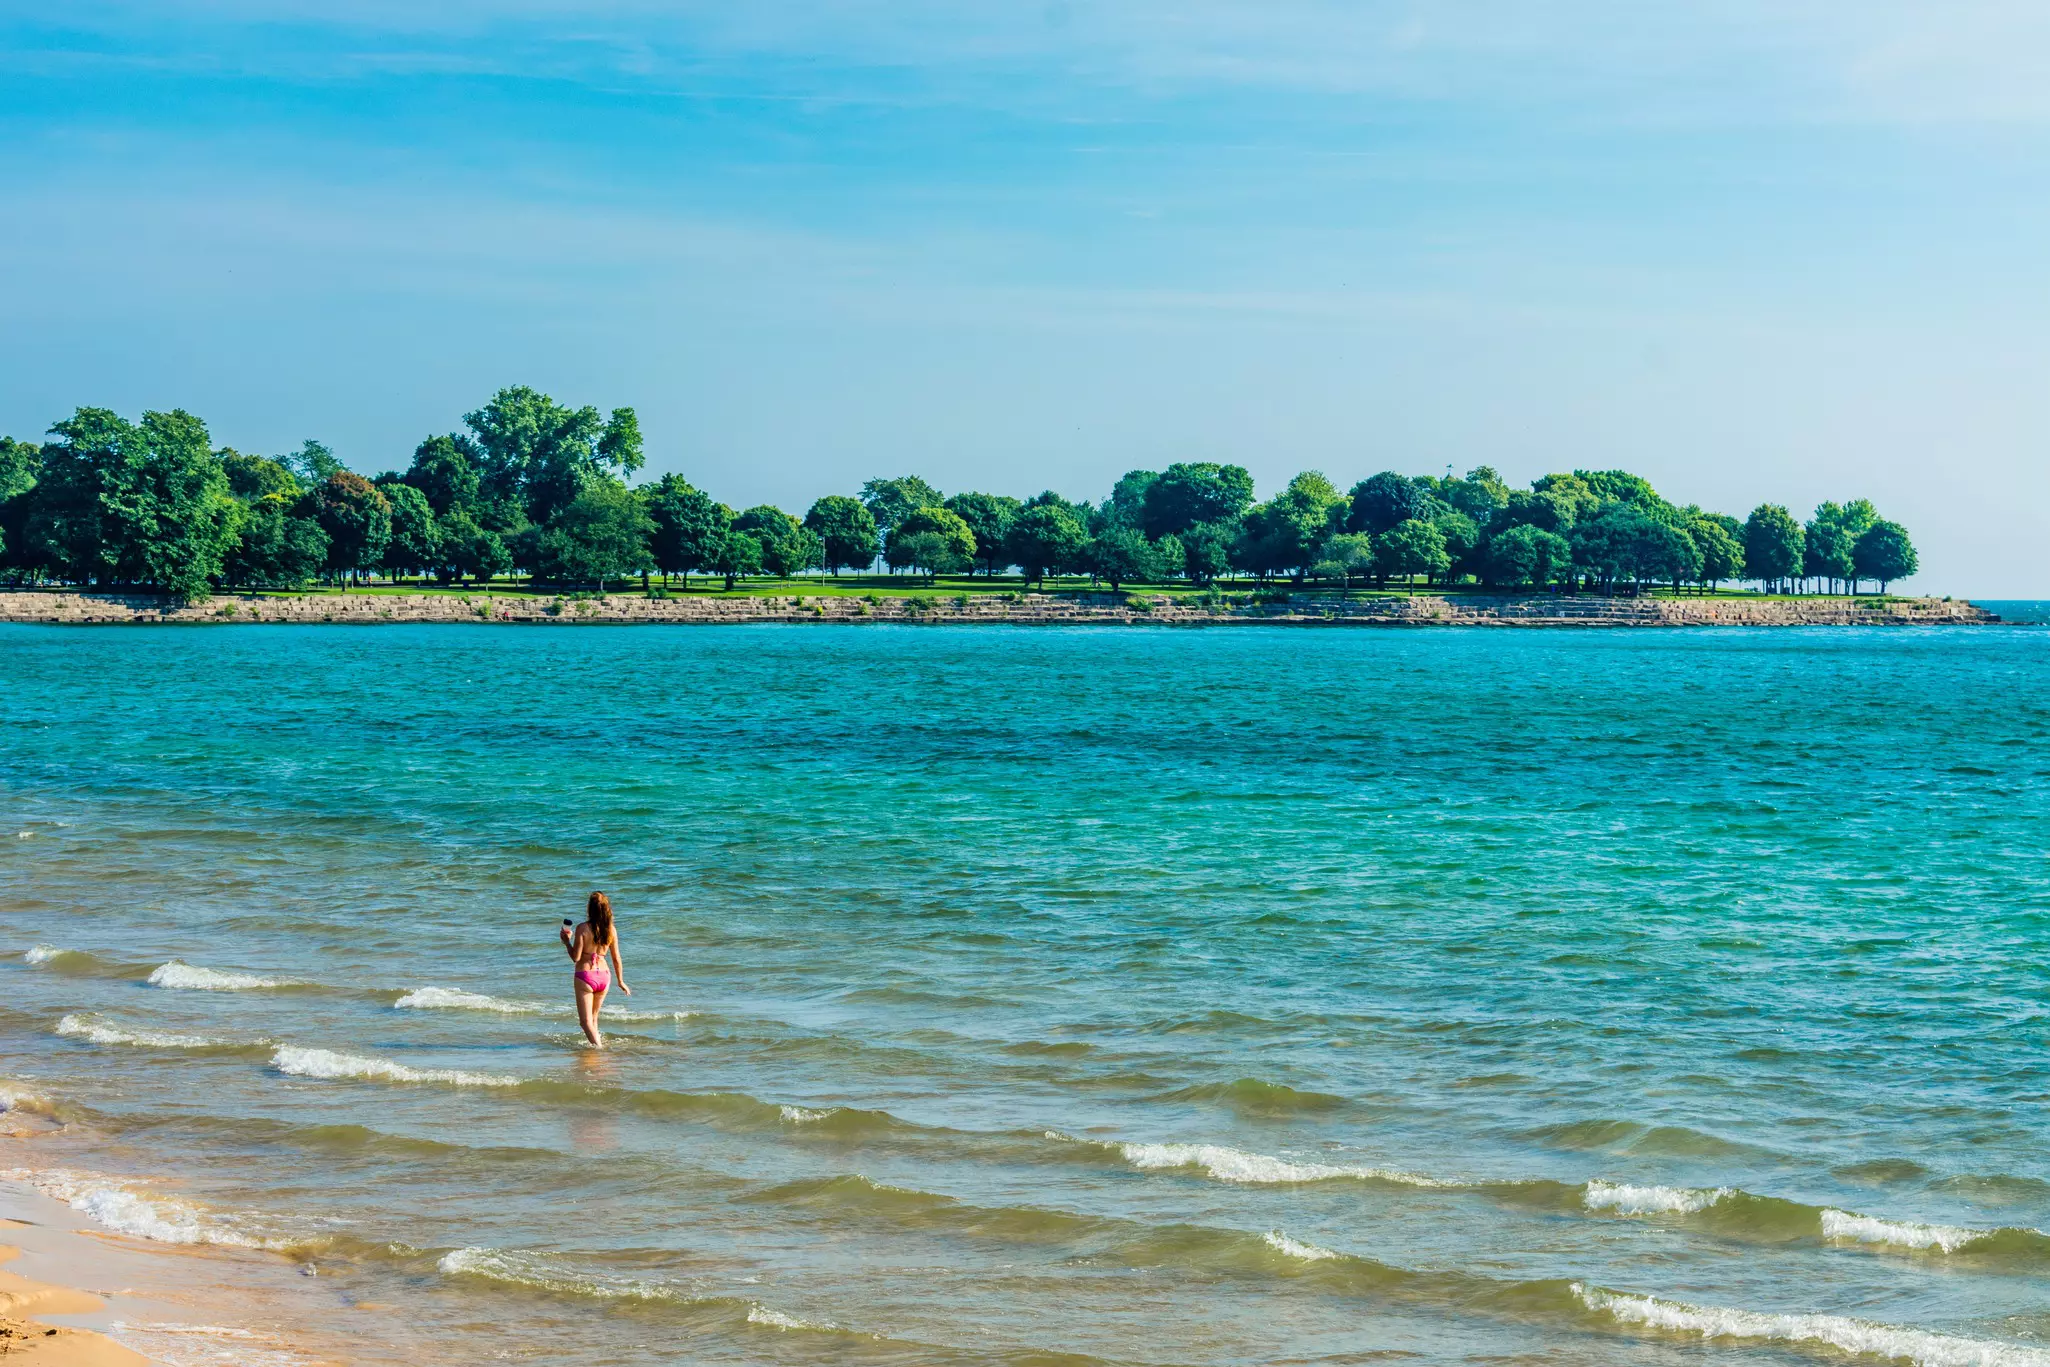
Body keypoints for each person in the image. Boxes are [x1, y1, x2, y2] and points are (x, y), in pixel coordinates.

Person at [560, 891, 630, 1046]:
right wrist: (620, 981)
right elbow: (616, 958)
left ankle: (599, 1050)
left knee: (585, 1023)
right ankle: (596, 1051)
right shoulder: (611, 929)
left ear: (589, 909)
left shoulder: (582, 928)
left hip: (585, 975)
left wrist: (567, 942)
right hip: (604, 976)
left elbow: (576, 958)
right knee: (593, 1019)